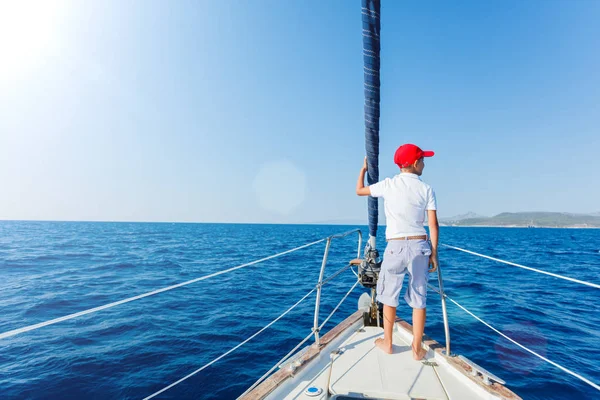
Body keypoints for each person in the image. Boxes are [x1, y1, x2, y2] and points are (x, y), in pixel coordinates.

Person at [356, 143, 439, 360]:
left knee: (389, 296)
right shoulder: (426, 189)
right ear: (414, 163)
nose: (424, 163)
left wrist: (364, 170)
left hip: (395, 247)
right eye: (422, 160)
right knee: (419, 299)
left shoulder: (389, 185)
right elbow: (433, 225)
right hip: (420, 246)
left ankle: (388, 342)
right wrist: (434, 253)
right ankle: (416, 348)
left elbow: (359, 191)